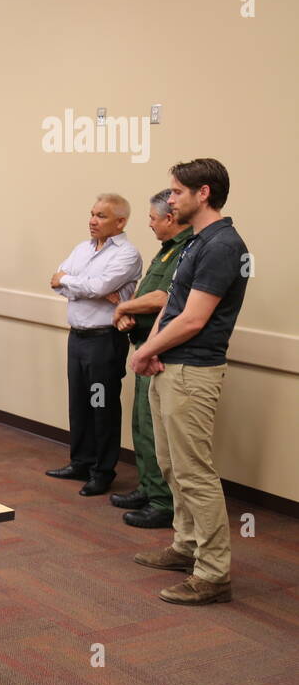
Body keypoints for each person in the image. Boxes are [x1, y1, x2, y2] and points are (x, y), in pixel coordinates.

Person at [131, 159, 249, 606]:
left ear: (203, 194)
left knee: (195, 473)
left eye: (177, 191)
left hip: (193, 371)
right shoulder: (194, 242)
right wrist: (155, 346)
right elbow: (172, 306)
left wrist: (144, 351)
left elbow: (196, 318)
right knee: (171, 466)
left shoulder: (223, 245)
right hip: (169, 365)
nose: (170, 198)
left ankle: (214, 573)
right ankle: (186, 545)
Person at [46, 195, 143, 497]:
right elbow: (55, 282)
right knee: (79, 403)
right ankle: (81, 462)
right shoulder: (82, 248)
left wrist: (76, 283)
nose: (92, 220)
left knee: (102, 406)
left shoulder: (127, 254)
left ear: (120, 222)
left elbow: (96, 286)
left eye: (101, 216)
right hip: (77, 336)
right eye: (91, 214)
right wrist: (85, 286)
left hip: (105, 339)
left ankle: (102, 471)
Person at [109, 190, 193, 529]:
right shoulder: (165, 251)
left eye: (153, 219)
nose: (150, 224)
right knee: (142, 425)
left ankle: (162, 502)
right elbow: (149, 296)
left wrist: (125, 307)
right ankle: (148, 487)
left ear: (170, 219)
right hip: (144, 343)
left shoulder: (186, 250)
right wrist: (128, 315)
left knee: (155, 430)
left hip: (163, 352)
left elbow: (165, 297)